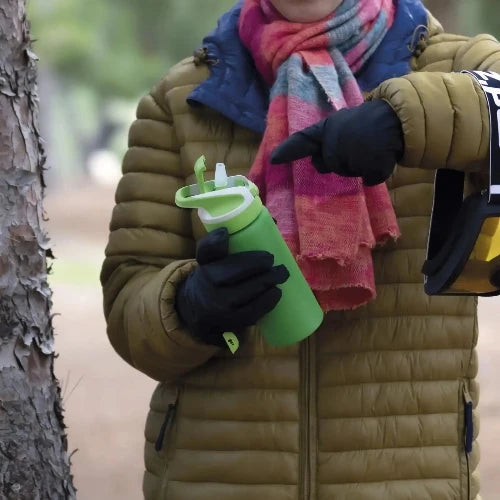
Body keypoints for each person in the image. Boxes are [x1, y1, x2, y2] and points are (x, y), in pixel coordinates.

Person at [100, 0, 497, 498]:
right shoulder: (179, 100)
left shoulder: (462, 65)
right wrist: (188, 305)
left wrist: (407, 120)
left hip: (407, 477)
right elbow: (127, 300)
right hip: (218, 478)